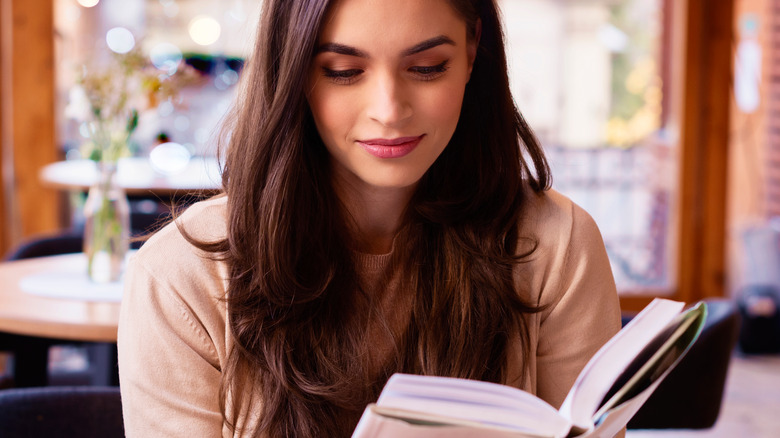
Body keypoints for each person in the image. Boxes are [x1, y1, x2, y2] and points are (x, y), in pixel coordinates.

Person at [117, 0, 622, 436]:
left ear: (472, 51)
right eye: (342, 70)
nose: (389, 110)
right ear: (291, 72)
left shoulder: (555, 245)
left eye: (427, 66)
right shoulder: (181, 278)